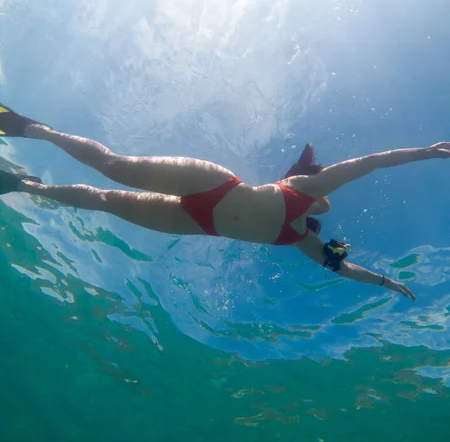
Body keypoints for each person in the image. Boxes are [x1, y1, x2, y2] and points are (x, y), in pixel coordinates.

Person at [0, 104, 448, 300]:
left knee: (105, 201)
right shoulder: (305, 190)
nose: (329, 201)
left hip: (197, 222)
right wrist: (427, 152)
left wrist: (387, 284)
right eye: (325, 194)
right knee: (116, 168)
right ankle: (32, 129)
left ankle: (25, 186)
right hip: (216, 186)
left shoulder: (301, 241)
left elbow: (343, 268)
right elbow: (371, 162)